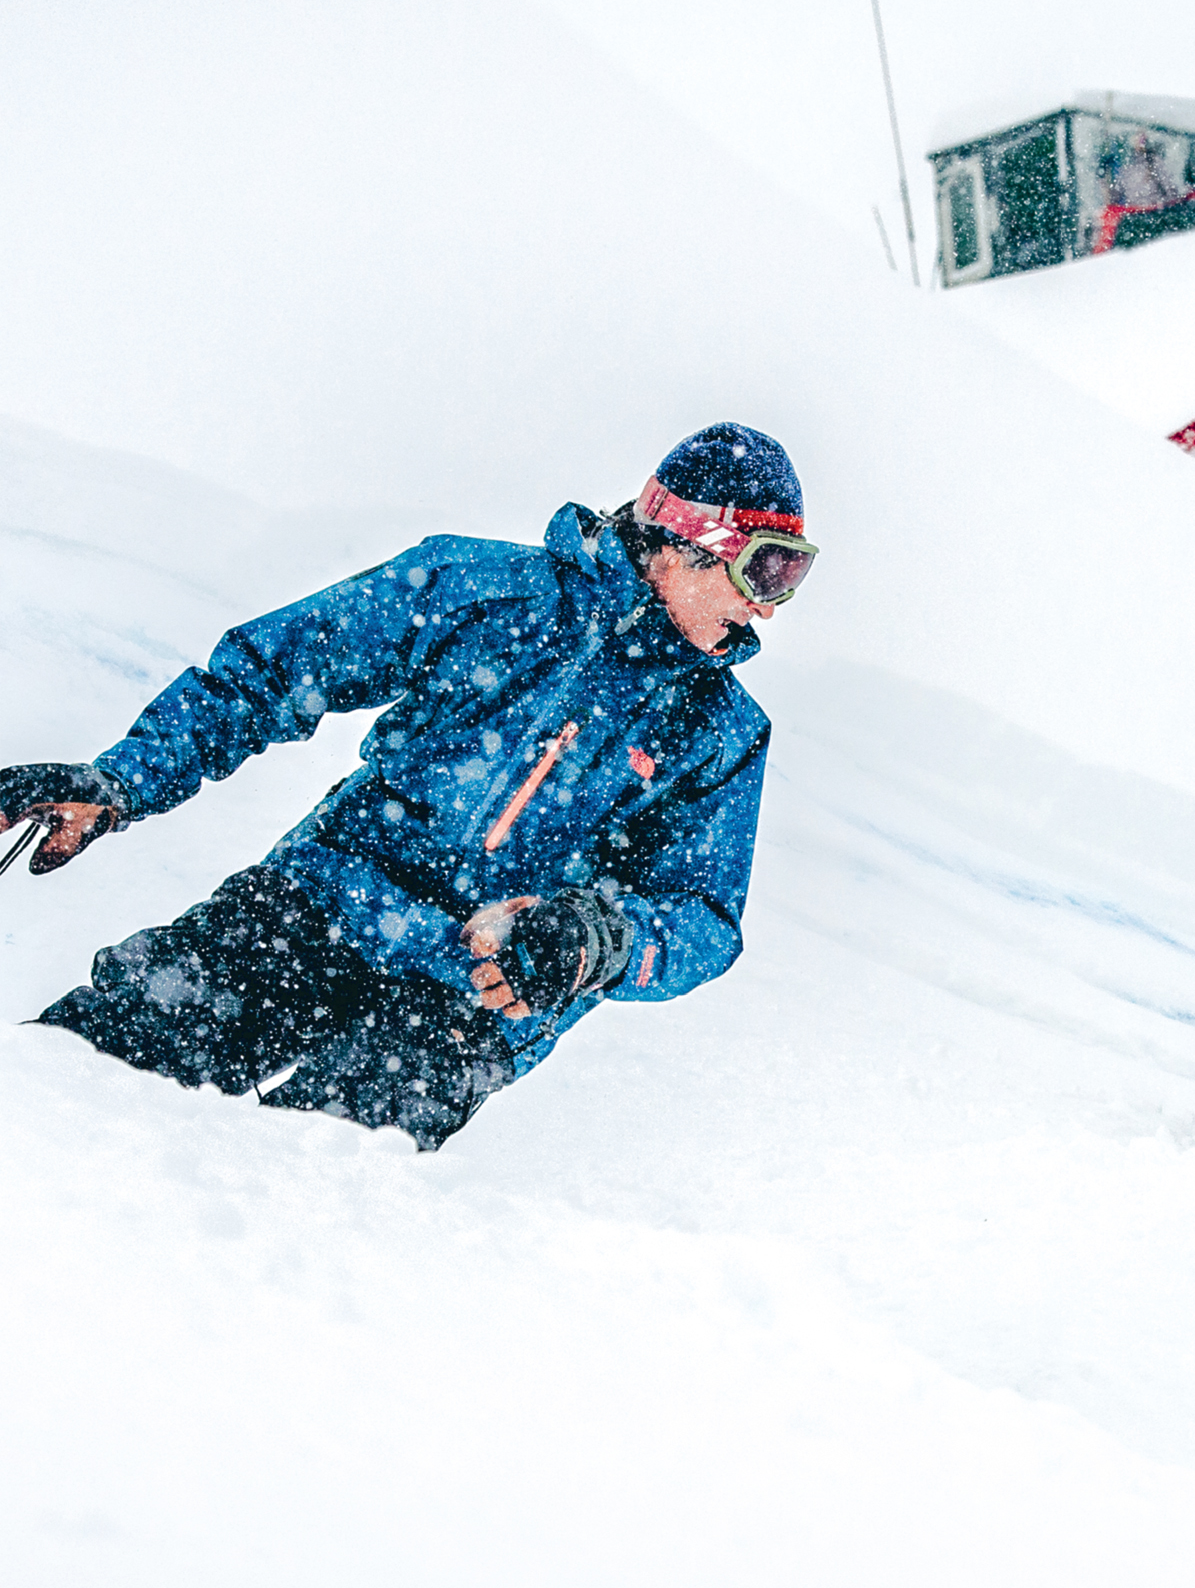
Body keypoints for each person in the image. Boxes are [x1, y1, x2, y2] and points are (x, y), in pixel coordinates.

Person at [1, 425, 816, 1150]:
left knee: (304, 1187)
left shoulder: (719, 731)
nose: (768, 609)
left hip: (479, 992)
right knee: (83, 1074)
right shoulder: (481, 588)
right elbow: (271, 672)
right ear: (681, 542)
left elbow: (703, 915)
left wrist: (598, 941)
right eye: (763, 572)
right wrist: (121, 780)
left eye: (790, 577)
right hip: (322, 905)